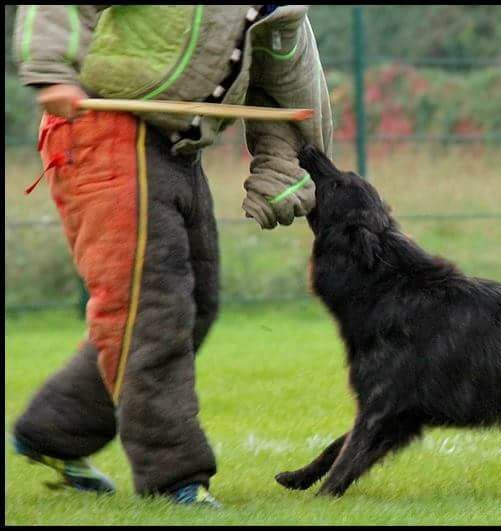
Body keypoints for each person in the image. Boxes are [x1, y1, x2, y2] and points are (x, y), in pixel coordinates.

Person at [11, 5, 332, 507]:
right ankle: (174, 477)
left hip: (177, 147)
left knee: (194, 306)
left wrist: (283, 166)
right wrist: (53, 67)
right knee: (150, 313)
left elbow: (288, 85)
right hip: (103, 127)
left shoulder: (282, 10)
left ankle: (56, 431)